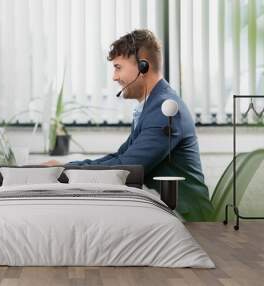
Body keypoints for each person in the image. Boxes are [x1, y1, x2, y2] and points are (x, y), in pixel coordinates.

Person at [43, 29, 214, 221]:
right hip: (167, 210)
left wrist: (65, 172)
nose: (114, 77)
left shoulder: (165, 110)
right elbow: (120, 157)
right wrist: (67, 167)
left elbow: (125, 169)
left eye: (118, 67)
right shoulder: (152, 105)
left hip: (186, 218)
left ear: (143, 67)